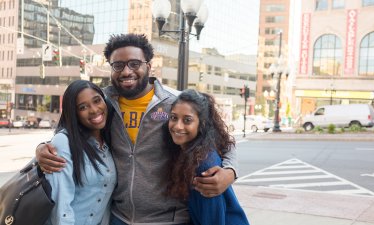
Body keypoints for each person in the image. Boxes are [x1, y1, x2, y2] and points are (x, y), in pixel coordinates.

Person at [36, 33, 237, 225]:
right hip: (118, 218)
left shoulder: (175, 103)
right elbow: (71, 133)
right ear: (111, 69)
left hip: (169, 220)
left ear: (148, 66)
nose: (126, 71)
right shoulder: (103, 105)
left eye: (134, 64)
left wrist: (230, 171)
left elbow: (220, 139)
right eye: (118, 65)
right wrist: (43, 147)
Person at [165, 89, 250, 225]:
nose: (178, 126)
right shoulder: (188, 152)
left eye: (187, 120)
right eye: (174, 118)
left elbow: (212, 220)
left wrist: (231, 171)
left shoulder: (204, 167)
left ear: (202, 124)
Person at [44, 80, 116, 225]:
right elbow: (61, 205)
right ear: (74, 113)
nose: (94, 110)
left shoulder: (109, 139)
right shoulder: (64, 142)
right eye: (83, 107)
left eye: (97, 101)